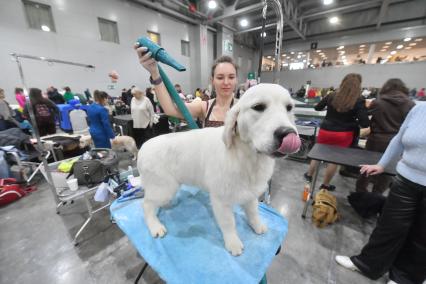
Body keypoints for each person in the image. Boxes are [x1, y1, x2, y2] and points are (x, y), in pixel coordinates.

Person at [335, 103, 426, 284]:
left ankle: (404, 279)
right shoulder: (419, 109)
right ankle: (366, 264)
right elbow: (399, 139)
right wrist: (381, 164)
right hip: (405, 180)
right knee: (387, 227)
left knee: (421, 237)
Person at [135, 44, 238, 128]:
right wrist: (155, 73)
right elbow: (170, 109)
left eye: (231, 77)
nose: (226, 82)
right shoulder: (205, 107)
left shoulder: (246, 107)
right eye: (220, 77)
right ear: (212, 81)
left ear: (236, 79)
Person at [304, 73, 370, 191]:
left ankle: (309, 175)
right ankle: (325, 185)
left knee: (317, 154)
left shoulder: (331, 95)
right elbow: (364, 122)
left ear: (343, 82)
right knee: (333, 160)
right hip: (343, 134)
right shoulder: (359, 100)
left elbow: (317, 107)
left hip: (325, 130)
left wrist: (329, 108)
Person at [356, 79, 415, 193]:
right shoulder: (411, 105)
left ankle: (360, 193)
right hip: (397, 143)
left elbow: (365, 117)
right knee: (386, 172)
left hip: (375, 140)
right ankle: (377, 196)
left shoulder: (378, 102)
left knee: (366, 169)